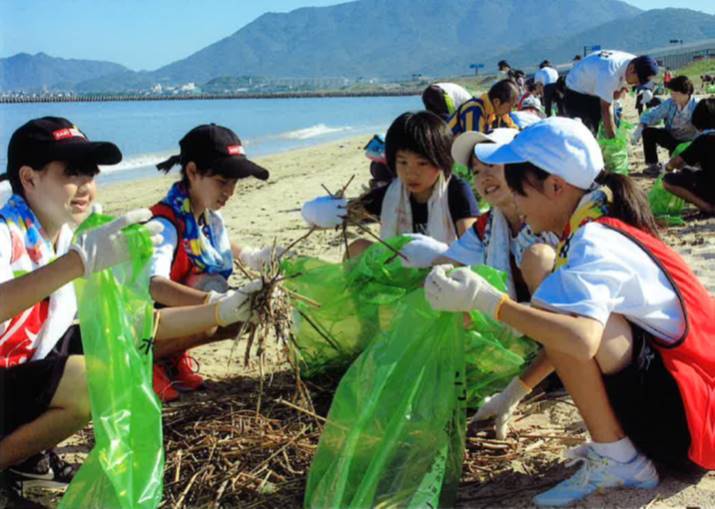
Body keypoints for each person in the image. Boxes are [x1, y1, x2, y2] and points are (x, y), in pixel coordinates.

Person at [425, 117, 714, 506]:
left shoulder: (595, 240)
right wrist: (515, 391)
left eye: (520, 192)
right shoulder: (596, 224)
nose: (518, 205)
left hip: (692, 432)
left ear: (556, 186)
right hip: (690, 411)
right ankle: (617, 448)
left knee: (571, 316)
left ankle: (620, 459)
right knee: (557, 298)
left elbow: (577, 340)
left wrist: (489, 302)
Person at [0, 117, 263, 506]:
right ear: (29, 177)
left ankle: (22, 462)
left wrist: (221, 311)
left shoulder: (69, 239)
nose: (86, 186)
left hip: (18, 378)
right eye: (72, 173)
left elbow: (136, 325)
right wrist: (77, 264)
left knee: (116, 343)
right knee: (90, 379)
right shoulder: (8, 234)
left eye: (91, 172)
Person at [147, 124, 276, 402]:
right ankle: (145, 360)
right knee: (215, 317)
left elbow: (218, 244)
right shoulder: (163, 224)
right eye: (222, 181)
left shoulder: (206, 218)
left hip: (171, 315)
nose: (230, 191)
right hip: (139, 323)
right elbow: (155, 286)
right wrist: (214, 304)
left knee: (247, 313)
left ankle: (170, 358)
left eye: (234, 183)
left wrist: (252, 256)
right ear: (192, 172)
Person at [301, 111, 479, 257]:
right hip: (398, 271)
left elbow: (472, 246)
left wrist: (439, 255)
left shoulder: (456, 191)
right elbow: (347, 213)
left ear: (441, 161)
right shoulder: (390, 195)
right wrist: (319, 212)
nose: (411, 173)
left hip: (444, 274)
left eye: (422, 163)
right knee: (357, 248)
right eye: (403, 162)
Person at [563, 50, 658, 137]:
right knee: (586, 134)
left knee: (606, 126)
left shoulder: (635, 62)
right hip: (576, 92)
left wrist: (618, 91)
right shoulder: (610, 73)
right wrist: (613, 139)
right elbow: (606, 108)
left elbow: (612, 96)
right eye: (637, 80)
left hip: (593, 88)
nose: (637, 84)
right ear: (632, 69)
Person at [631, 76, 700, 176]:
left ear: (684, 93)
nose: (672, 97)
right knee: (648, 132)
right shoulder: (670, 104)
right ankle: (653, 166)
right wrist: (640, 127)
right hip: (672, 139)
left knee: (685, 168)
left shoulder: (697, 105)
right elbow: (653, 113)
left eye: (674, 94)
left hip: (690, 144)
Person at [662, 98, 715, 215]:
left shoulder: (703, 140)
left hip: (711, 189)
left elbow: (676, 163)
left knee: (668, 180)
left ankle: (707, 207)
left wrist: (667, 167)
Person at [447, 80, 519, 135]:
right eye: (510, 106)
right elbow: (474, 144)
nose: (510, 111)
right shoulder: (474, 110)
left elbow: (514, 131)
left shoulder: (496, 111)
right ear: (496, 101)